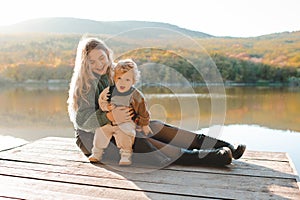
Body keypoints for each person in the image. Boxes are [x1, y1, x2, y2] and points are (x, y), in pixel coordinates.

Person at [67, 37, 246, 167]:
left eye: (101, 58)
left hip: (122, 126)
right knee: (143, 141)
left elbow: (133, 96)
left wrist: (137, 118)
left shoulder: (115, 74)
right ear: (85, 63)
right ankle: (208, 157)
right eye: (92, 61)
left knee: (156, 127)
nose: (98, 64)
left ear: (108, 55)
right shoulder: (84, 85)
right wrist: (109, 115)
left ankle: (224, 146)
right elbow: (81, 122)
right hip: (93, 138)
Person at [88, 59, 152, 165]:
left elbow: (143, 110)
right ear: (114, 78)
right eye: (119, 78)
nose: (122, 82)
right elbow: (102, 101)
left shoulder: (135, 95)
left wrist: (144, 124)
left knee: (126, 135)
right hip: (109, 121)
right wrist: (107, 107)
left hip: (126, 121)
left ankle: (126, 155)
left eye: (127, 80)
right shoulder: (109, 91)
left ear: (133, 81)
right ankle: (96, 153)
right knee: (100, 132)